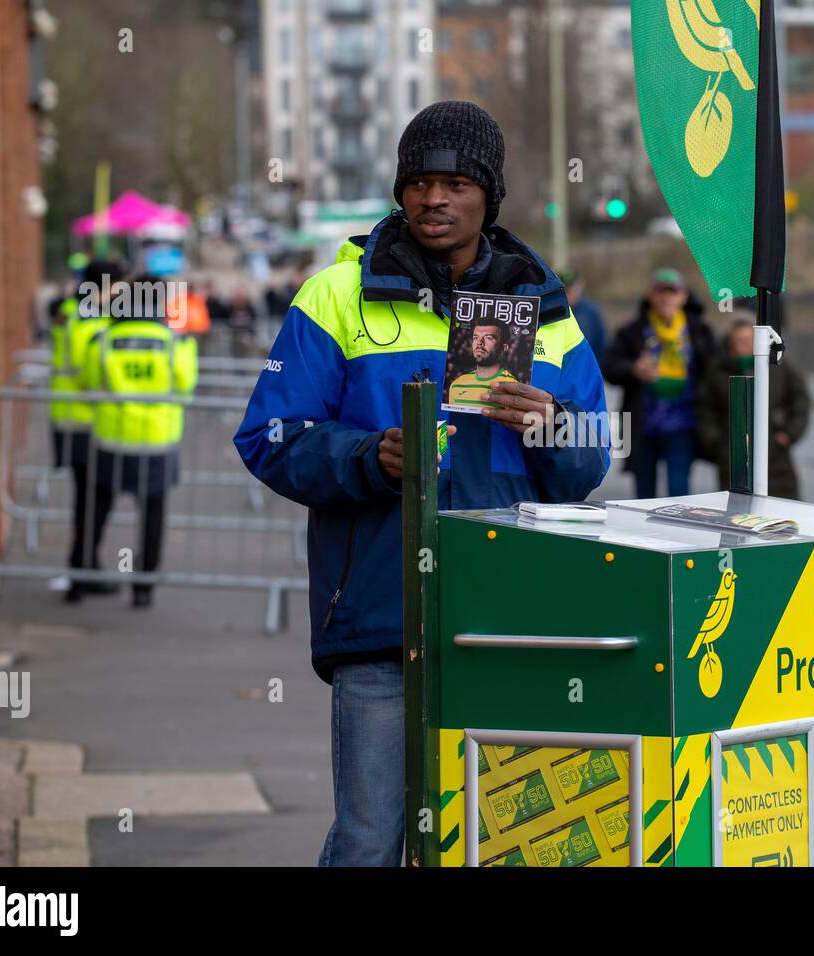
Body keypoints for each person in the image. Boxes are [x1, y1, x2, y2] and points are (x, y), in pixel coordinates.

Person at [233, 100, 610, 867]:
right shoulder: (335, 295)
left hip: (508, 620)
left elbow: (587, 465)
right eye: (419, 183)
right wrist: (372, 459)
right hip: (383, 619)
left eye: (455, 184)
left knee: (500, 840)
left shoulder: (541, 308)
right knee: (372, 841)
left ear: (488, 195)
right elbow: (268, 438)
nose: (434, 199)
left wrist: (552, 425)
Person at [73, 275, 199, 607]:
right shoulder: (175, 342)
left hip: (111, 441)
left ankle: (81, 575)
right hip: (157, 442)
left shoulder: (102, 340)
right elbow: (185, 386)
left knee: (96, 511)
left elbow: (88, 384)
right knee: (153, 516)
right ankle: (143, 588)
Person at [602, 268, 715, 499]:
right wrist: (633, 368)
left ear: (683, 296)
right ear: (650, 296)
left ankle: (680, 535)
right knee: (644, 496)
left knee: (679, 491)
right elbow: (609, 366)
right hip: (643, 424)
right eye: (660, 291)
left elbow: (714, 371)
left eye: (672, 292)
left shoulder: (700, 332)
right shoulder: (631, 332)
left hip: (684, 424)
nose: (666, 297)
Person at [52, 258, 121, 600]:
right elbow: (88, 370)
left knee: (91, 500)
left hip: (74, 418)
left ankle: (85, 568)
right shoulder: (91, 319)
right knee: (93, 501)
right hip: (85, 421)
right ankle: (80, 574)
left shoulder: (72, 309)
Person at [696, 317, 811, 499]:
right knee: (737, 512)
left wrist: (790, 433)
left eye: (748, 340)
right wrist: (715, 442)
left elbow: (799, 400)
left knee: (782, 511)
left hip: (775, 455)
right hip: (733, 455)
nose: (742, 345)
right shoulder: (717, 368)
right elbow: (705, 408)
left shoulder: (777, 364)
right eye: (737, 341)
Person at [446, 317, 517, 407]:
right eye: (475, 337)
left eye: (488, 338)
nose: (479, 342)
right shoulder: (457, 384)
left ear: (504, 348)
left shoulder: (513, 387)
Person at [559, 268, 606, 364]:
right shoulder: (549, 311)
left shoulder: (591, 312)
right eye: (565, 290)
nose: (569, 295)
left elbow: (602, 345)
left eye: (572, 290)